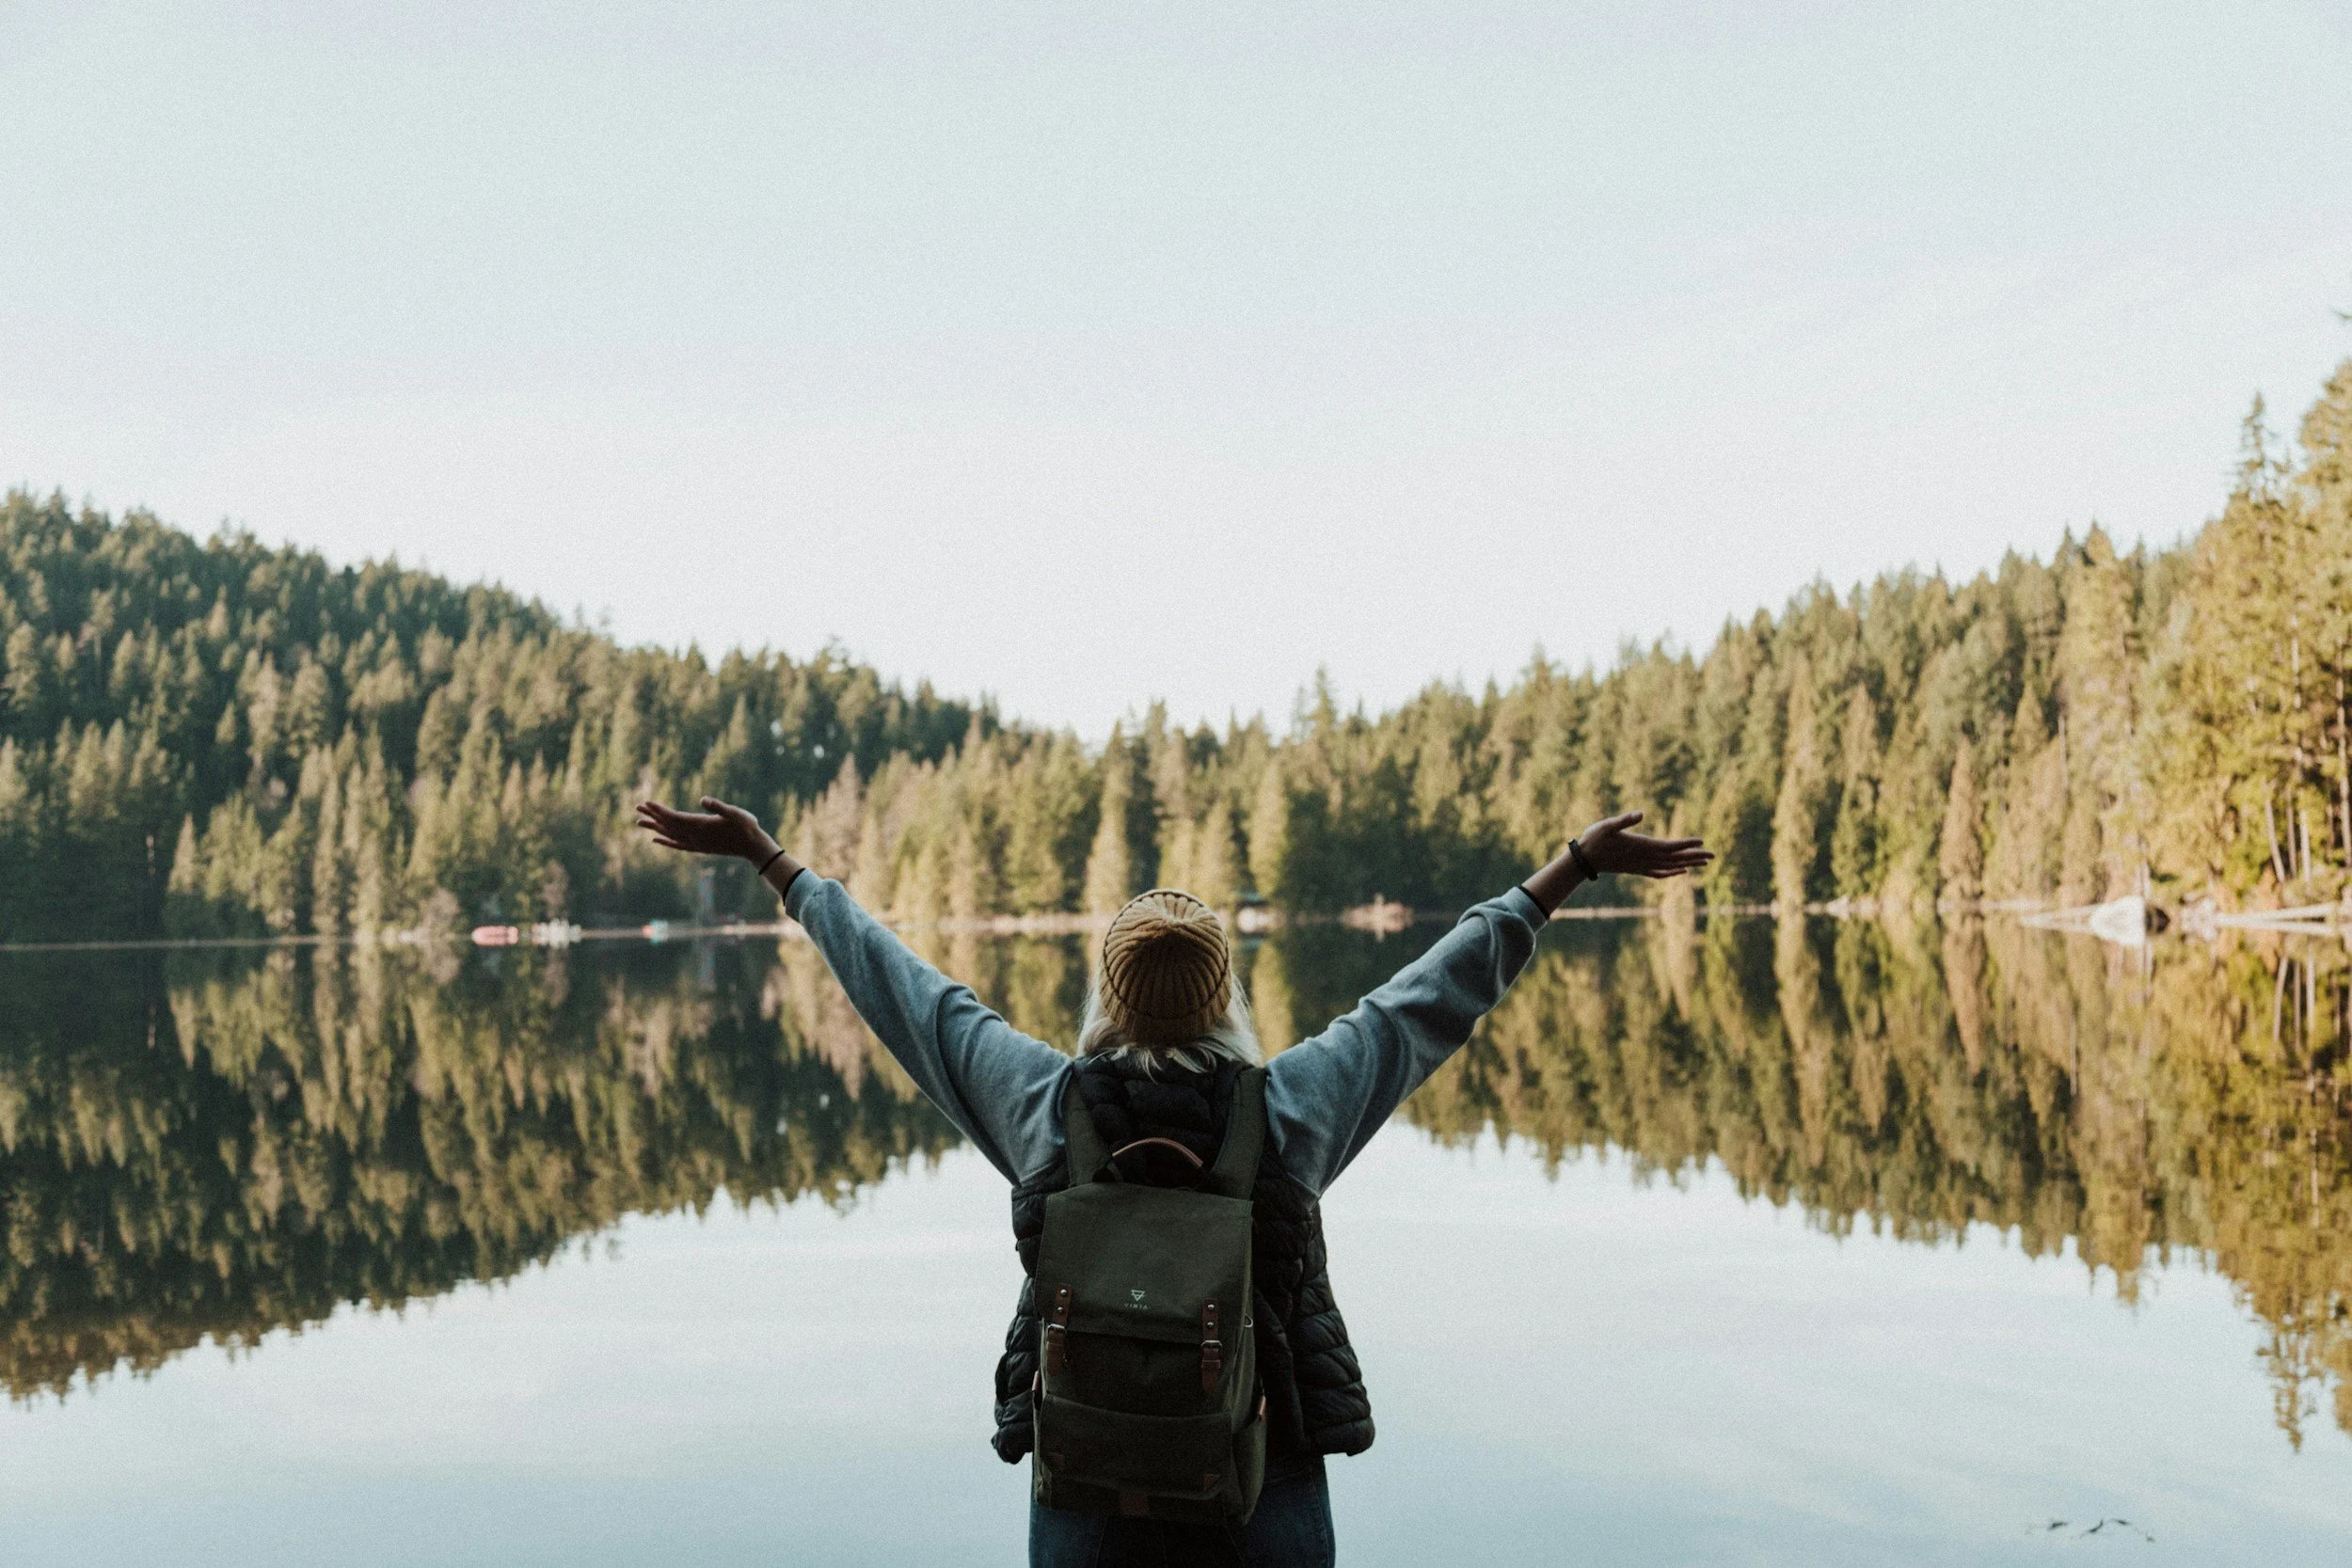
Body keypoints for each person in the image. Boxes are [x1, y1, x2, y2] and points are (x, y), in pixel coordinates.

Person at [635, 795, 1710, 1567]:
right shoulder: (1291, 1108)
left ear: (1105, 992)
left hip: (1091, 1479)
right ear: (1223, 996)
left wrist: (775, 863)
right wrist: (1572, 864)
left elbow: (905, 992)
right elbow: (1433, 993)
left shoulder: (1042, 1105)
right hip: (1262, 1471)